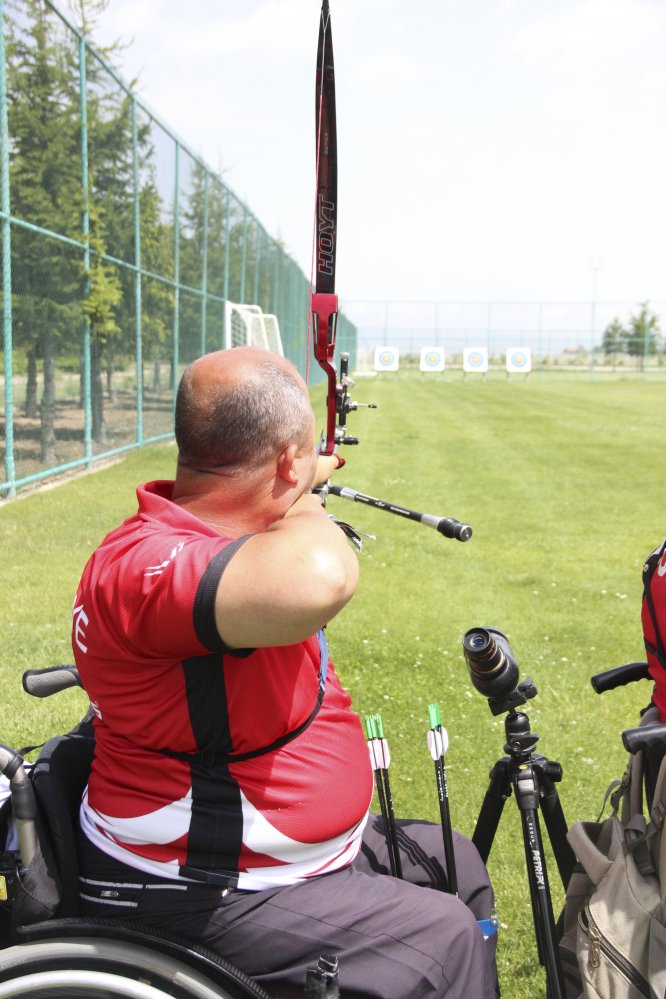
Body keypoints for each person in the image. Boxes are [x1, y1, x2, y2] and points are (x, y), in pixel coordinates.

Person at [71, 346, 498, 999]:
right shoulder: (150, 564)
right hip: (199, 882)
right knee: (445, 940)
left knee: (453, 859)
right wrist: (300, 491)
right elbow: (322, 576)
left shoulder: (205, 539)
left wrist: (291, 472)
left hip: (259, 857)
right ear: (285, 461)